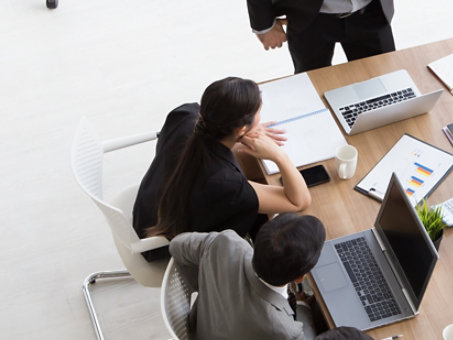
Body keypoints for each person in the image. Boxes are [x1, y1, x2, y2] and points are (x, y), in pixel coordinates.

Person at [133, 77, 312, 260]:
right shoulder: (225, 182)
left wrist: (238, 137)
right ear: (240, 129)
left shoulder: (185, 115)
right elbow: (299, 202)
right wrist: (279, 156)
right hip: (164, 243)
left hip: (147, 212)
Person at [171, 213, 326, 340]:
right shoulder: (284, 330)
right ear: (300, 277)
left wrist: (207, 281)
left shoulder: (225, 243)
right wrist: (302, 306)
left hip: (200, 331)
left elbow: (176, 246)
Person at [247, 0, 397, 73]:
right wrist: (264, 26)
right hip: (309, 17)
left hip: (370, 13)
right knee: (310, 84)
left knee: (382, 78)